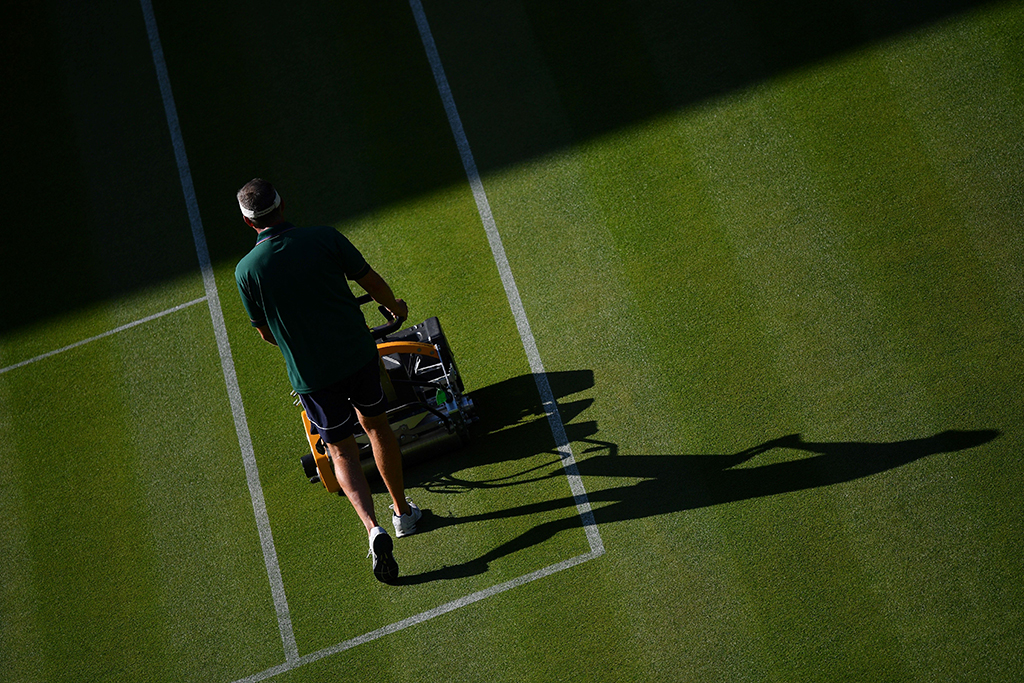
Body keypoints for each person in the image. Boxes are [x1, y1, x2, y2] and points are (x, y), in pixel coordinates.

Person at [233, 178, 421, 584]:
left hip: (312, 376)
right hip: (357, 356)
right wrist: (396, 307)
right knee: (377, 429)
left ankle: (373, 528)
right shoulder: (324, 237)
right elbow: (369, 280)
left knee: (341, 453)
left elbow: (265, 333)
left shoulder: (245, 271)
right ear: (283, 206)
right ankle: (403, 513)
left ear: (249, 224)